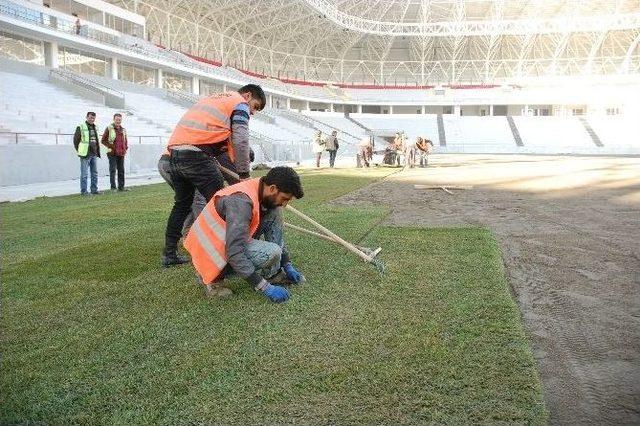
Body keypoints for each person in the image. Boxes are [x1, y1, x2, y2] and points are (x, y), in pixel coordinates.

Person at [161, 84, 266, 267]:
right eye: (255, 107)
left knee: (182, 206)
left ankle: (169, 254)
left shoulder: (216, 100)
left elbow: (222, 145)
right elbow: (241, 140)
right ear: (247, 96)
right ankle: (231, 253)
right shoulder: (239, 104)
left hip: (174, 155)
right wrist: (244, 176)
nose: (253, 112)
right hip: (196, 155)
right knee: (224, 204)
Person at [185, 166, 305, 302]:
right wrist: (265, 287)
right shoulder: (241, 202)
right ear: (272, 188)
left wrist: (287, 264)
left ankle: (273, 274)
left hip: (227, 242)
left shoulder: (259, 189)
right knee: (272, 252)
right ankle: (212, 279)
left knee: (275, 211)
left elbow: (273, 232)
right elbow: (234, 252)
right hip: (207, 254)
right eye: (284, 198)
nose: (284, 204)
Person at [73, 111, 101, 196]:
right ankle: (84, 191)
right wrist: (80, 150)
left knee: (94, 173)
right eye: (90, 117)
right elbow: (76, 140)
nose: (92, 119)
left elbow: (96, 140)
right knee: (84, 174)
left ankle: (94, 190)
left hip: (94, 153)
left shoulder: (95, 127)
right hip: (85, 154)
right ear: (87, 117)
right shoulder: (81, 127)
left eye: (93, 118)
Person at [101, 113, 128, 191]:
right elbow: (103, 140)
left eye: (119, 120)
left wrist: (125, 148)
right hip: (112, 153)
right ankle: (113, 187)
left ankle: (121, 187)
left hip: (121, 153)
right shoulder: (109, 128)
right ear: (114, 119)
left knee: (121, 170)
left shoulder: (123, 129)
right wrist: (112, 147)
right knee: (113, 170)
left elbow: (125, 140)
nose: (118, 121)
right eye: (117, 119)